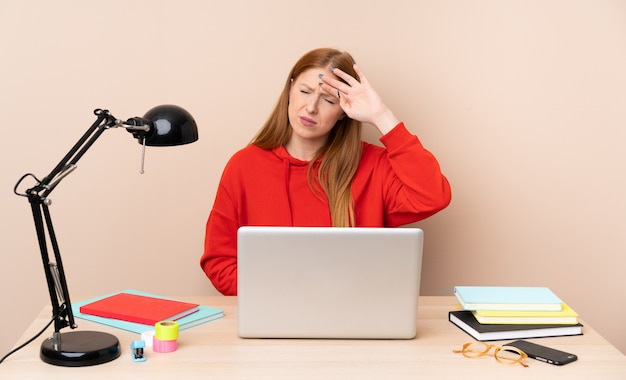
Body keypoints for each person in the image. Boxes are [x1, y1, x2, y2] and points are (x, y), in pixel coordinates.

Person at [201, 48, 451, 295]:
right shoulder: (244, 166)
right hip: (273, 318)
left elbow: (432, 196)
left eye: (329, 100)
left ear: (344, 111)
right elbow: (219, 261)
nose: (311, 107)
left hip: (355, 318)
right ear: (289, 90)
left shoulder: (374, 166)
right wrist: (278, 297)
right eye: (305, 91)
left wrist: (381, 116)